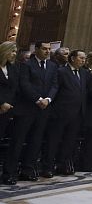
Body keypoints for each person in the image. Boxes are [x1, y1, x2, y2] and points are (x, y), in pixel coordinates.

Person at [5, 41, 58, 182]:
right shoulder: (26, 64)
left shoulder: (52, 66)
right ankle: (10, 172)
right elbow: (24, 84)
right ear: (37, 49)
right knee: (18, 141)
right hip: (27, 108)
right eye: (44, 49)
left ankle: (27, 170)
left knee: (36, 141)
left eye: (49, 49)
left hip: (44, 109)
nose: (48, 51)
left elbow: (55, 85)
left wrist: (48, 99)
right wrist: (38, 99)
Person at [45, 49, 88, 175]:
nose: (83, 60)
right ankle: (48, 166)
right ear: (73, 58)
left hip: (77, 113)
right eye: (81, 58)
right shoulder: (62, 71)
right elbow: (55, 88)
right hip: (61, 112)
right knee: (53, 140)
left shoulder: (84, 73)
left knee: (70, 141)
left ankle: (63, 164)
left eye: (84, 58)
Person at [0, 41, 18, 184]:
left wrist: (8, 104)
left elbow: (14, 88)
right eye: (12, 51)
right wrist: (1, 103)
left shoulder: (12, 68)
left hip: (7, 110)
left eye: (15, 51)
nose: (14, 54)